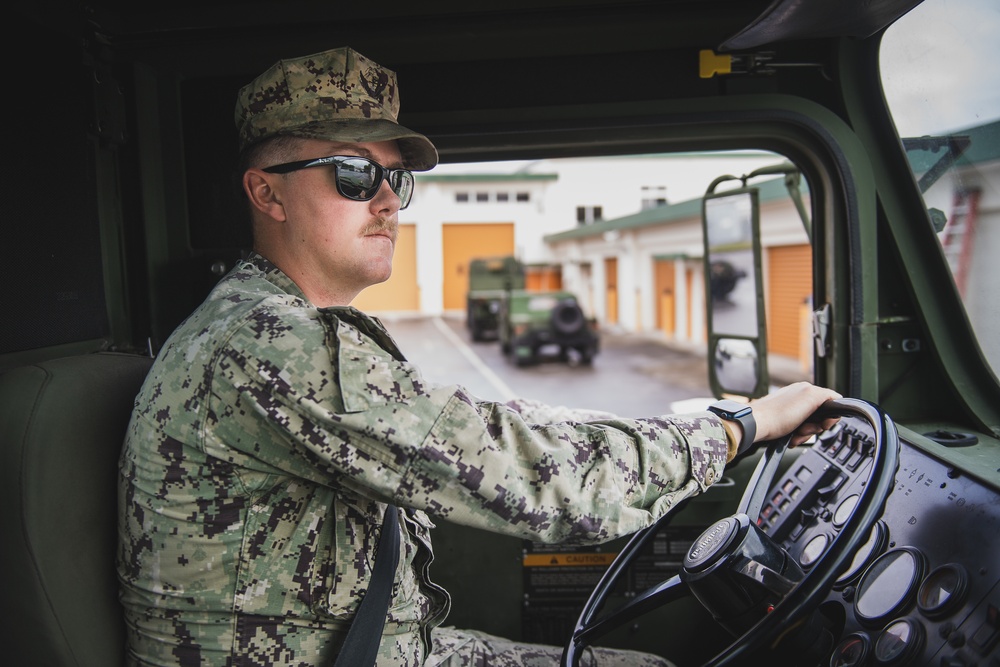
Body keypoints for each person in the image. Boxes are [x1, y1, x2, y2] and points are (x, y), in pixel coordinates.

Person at [116, 46, 841, 667]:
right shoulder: (269, 341)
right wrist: (737, 428)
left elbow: (475, 431)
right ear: (265, 192)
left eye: (395, 178)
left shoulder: (275, 323)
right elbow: (530, 471)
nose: (387, 202)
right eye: (353, 174)